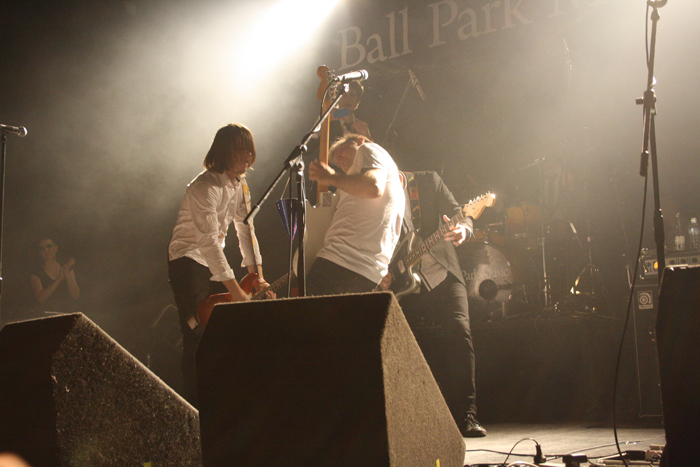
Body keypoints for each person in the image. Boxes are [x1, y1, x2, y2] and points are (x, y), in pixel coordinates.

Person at [168, 123, 271, 407]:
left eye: (251, 149)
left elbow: (246, 231)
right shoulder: (204, 186)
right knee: (198, 331)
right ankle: (191, 406)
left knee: (224, 330)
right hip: (188, 260)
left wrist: (256, 277)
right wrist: (235, 289)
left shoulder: (240, 186)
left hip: (214, 264)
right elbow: (208, 242)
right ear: (226, 151)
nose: (249, 155)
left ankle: (219, 400)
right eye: (242, 149)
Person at [380, 171, 486, 438]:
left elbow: (462, 212)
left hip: (443, 274)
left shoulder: (427, 182)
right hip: (405, 285)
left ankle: (467, 416)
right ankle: (408, 421)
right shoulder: (376, 195)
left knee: (460, 331)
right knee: (398, 345)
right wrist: (381, 270)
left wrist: (465, 228)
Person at [305, 134, 404, 296]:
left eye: (342, 151)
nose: (340, 160)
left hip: (338, 262)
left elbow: (373, 186)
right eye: (337, 161)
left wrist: (330, 177)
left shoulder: (367, 148)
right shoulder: (349, 187)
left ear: (359, 140)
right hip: (365, 273)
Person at [30, 237, 80, 314]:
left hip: (68, 314)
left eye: (49, 246)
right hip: (46, 316)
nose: (46, 250)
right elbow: (40, 298)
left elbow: (75, 295)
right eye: (42, 249)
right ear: (39, 253)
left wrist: (66, 273)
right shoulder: (36, 273)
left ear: (56, 248)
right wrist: (59, 279)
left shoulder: (66, 268)